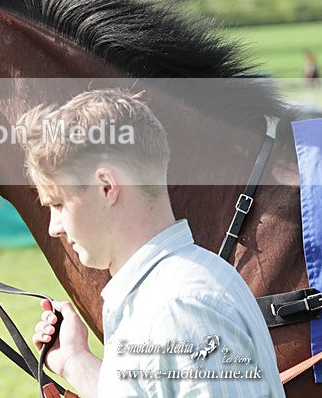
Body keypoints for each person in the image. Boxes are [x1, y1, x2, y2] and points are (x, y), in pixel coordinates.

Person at [18, 89, 284, 397]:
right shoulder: (164, 297)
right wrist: (74, 362)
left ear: (106, 187)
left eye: (59, 204)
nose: (54, 228)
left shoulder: (180, 309)